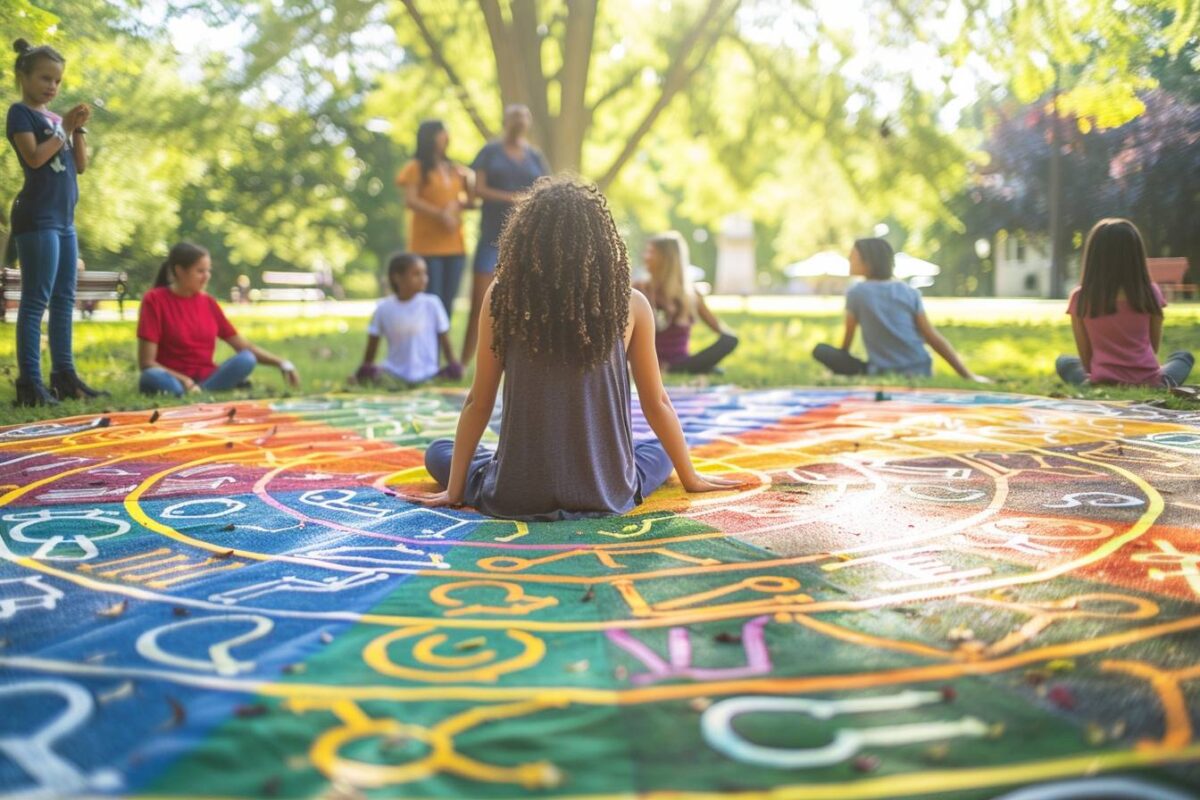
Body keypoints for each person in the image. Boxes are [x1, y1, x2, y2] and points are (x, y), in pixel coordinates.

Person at [409, 177, 742, 521]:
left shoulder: (503, 296)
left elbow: (479, 402)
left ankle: (503, 460)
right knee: (658, 450)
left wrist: (454, 490)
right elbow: (657, 403)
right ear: (600, 240)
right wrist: (691, 478)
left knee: (439, 451)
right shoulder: (631, 304)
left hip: (516, 491)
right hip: (606, 490)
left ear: (527, 237)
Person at [7, 39, 100, 405]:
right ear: (24, 76)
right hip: (37, 217)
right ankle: (30, 384)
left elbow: (80, 166)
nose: (52, 87)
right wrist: (63, 128)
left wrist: (76, 129)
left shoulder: (55, 119)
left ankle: (65, 376)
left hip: (64, 220)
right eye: (45, 78)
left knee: (64, 299)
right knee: (36, 301)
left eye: (58, 81)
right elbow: (33, 158)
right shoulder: (20, 113)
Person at [137, 243, 301, 396]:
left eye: (208, 271)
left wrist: (282, 363)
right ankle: (191, 390)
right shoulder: (154, 300)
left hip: (207, 377)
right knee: (151, 376)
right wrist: (184, 380)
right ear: (180, 271)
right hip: (171, 378)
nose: (206, 277)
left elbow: (244, 347)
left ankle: (199, 391)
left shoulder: (208, 303)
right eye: (200, 271)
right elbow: (147, 362)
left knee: (247, 358)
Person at [813, 238, 987, 382]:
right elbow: (931, 337)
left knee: (821, 351)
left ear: (869, 262)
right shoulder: (909, 292)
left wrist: (838, 364)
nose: (849, 260)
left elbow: (847, 341)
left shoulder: (856, 292)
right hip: (920, 369)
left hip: (882, 371)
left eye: (853, 257)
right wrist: (967, 375)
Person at [1055, 218, 1194, 388]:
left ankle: (1090, 384)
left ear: (1094, 255)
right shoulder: (1150, 292)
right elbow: (1153, 347)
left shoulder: (1080, 297)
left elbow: (1086, 360)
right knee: (1183, 357)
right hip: (1148, 380)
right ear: (1136, 256)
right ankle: (1163, 382)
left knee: (1063, 362)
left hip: (1102, 379)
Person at [461, 105, 550, 367]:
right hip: (492, 236)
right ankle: (464, 361)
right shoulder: (490, 152)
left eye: (524, 118)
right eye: (515, 118)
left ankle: (526, 360)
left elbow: (547, 188)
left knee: (529, 300)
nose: (519, 123)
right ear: (505, 121)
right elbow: (478, 188)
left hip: (527, 238)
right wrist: (512, 198)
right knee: (481, 299)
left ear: (529, 123)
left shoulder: (534, 155)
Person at [395, 119, 470, 323]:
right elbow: (410, 200)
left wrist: (458, 204)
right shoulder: (415, 167)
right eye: (442, 133)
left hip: (455, 245)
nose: (447, 137)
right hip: (427, 247)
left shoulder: (455, 169)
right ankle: (428, 353)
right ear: (430, 137)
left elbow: (468, 200)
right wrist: (441, 214)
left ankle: (441, 352)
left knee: (446, 307)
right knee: (430, 303)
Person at [638, 231, 738, 374]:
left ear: (666, 259)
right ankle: (699, 369)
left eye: (651, 253)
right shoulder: (640, 290)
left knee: (730, 340)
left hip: (681, 362)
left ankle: (691, 368)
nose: (645, 257)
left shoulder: (691, 295)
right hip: (653, 363)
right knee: (713, 369)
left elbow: (719, 329)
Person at [354, 252, 461, 385]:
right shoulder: (383, 308)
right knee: (370, 375)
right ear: (397, 277)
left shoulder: (432, 303)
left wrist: (454, 366)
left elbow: (445, 340)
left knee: (450, 374)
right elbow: (372, 346)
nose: (424, 278)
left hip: (428, 374)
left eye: (424, 273)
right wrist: (364, 370)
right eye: (416, 274)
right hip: (394, 373)